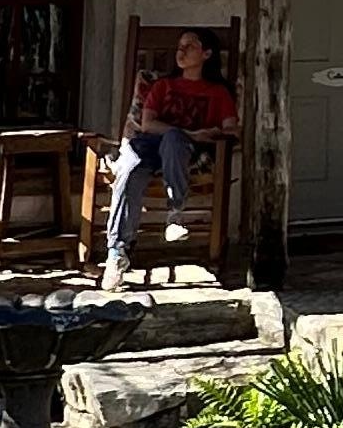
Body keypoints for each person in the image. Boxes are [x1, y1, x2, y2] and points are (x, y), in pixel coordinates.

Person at [100, 29, 239, 284]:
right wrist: (191, 133)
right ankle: (116, 252)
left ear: (206, 54)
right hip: (148, 146)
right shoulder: (163, 85)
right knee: (128, 170)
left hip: (183, 152)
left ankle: (175, 212)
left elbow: (232, 129)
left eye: (190, 46)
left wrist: (211, 133)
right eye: (179, 47)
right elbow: (148, 124)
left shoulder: (218, 92)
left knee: (174, 140)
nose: (181, 51)